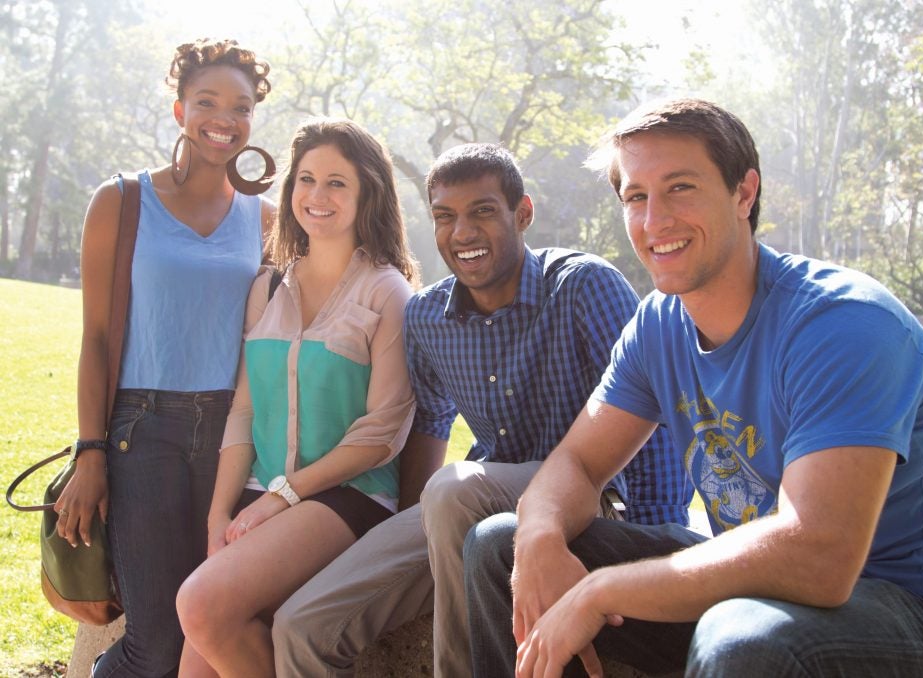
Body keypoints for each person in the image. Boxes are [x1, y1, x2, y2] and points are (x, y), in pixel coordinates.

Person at [464, 98, 923, 678]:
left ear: (744, 194)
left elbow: (819, 557)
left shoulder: (843, 323)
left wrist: (600, 592)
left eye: (681, 188)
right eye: (637, 197)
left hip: (922, 625)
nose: (654, 222)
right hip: (755, 599)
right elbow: (576, 461)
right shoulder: (658, 324)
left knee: (741, 634)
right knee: (501, 545)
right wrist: (540, 535)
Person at [273, 143, 693, 677]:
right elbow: (429, 424)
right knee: (302, 626)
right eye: (445, 217)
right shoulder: (427, 317)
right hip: (473, 508)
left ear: (523, 214)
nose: (462, 233)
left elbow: (654, 418)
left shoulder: (583, 285)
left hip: (589, 498)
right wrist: (411, 530)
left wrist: (652, 550)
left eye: (483, 212)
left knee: (456, 489)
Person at [54, 38, 276, 677]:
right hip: (139, 434)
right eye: (207, 101)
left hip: (232, 440)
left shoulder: (264, 220)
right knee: (155, 644)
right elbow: (96, 337)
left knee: (207, 634)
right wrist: (89, 451)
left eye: (240, 106)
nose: (223, 118)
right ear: (180, 111)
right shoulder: (121, 201)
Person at [174, 117, 419, 677]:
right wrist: (219, 514)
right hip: (261, 496)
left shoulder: (388, 292)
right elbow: (243, 412)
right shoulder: (267, 287)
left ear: (367, 194)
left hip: (346, 495)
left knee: (201, 603)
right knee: (200, 655)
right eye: (306, 179)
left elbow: (380, 435)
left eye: (337, 182)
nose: (317, 195)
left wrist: (283, 496)